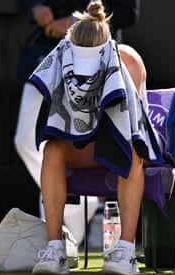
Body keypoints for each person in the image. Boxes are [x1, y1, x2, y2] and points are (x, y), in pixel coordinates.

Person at [29, 0, 163, 275]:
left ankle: (125, 250)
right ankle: (56, 248)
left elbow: (133, 128)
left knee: (131, 149)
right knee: (53, 149)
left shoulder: (129, 61)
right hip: (83, 147)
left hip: (121, 145)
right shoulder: (62, 59)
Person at [14, 0, 140, 248]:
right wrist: (35, 7)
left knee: (122, 144)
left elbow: (127, 12)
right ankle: (69, 218)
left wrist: (79, 25)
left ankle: (73, 224)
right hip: (47, 56)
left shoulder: (127, 59)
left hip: (99, 59)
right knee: (31, 142)